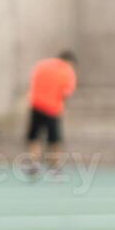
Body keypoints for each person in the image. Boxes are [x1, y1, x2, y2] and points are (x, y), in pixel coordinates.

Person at [22, 50, 77, 180]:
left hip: (36, 104)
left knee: (33, 136)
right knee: (54, 139)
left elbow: (32, 82)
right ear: (69, 61)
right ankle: (55, 168)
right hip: (53, 108)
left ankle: (34, 163)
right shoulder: (67, 71)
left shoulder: (41, 65)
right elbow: (66, 93)